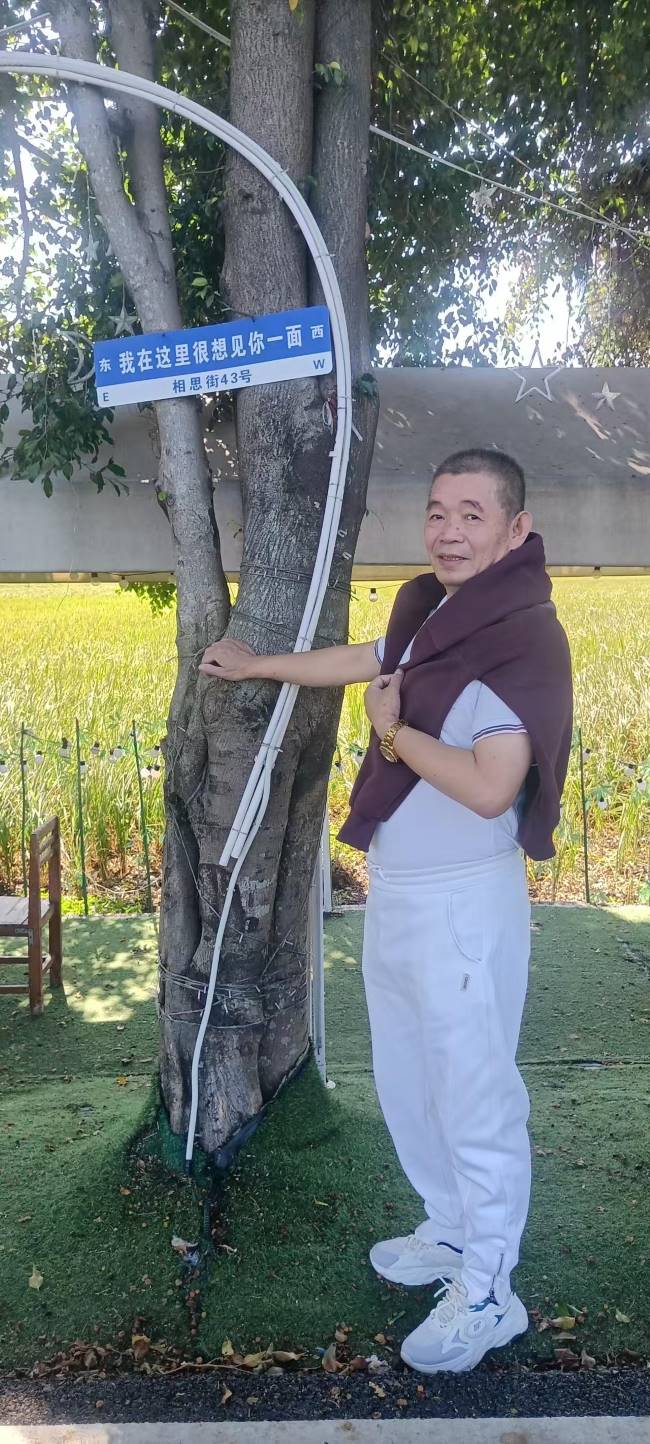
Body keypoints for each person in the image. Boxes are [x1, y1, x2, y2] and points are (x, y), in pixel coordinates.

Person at [199, 448, 573, 1376]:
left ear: (516, 529)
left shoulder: (523, 637)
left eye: (472, 514)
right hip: (402, 893)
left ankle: (489, 1292)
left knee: (474, 1094)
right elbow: (369, 659)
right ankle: (449, 1230)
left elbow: (491, 787)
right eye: (438, 511)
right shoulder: (430, 608)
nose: (449, 531)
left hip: (464, 902)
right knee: (410, 1078)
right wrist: (258, 665)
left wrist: (392, 732)